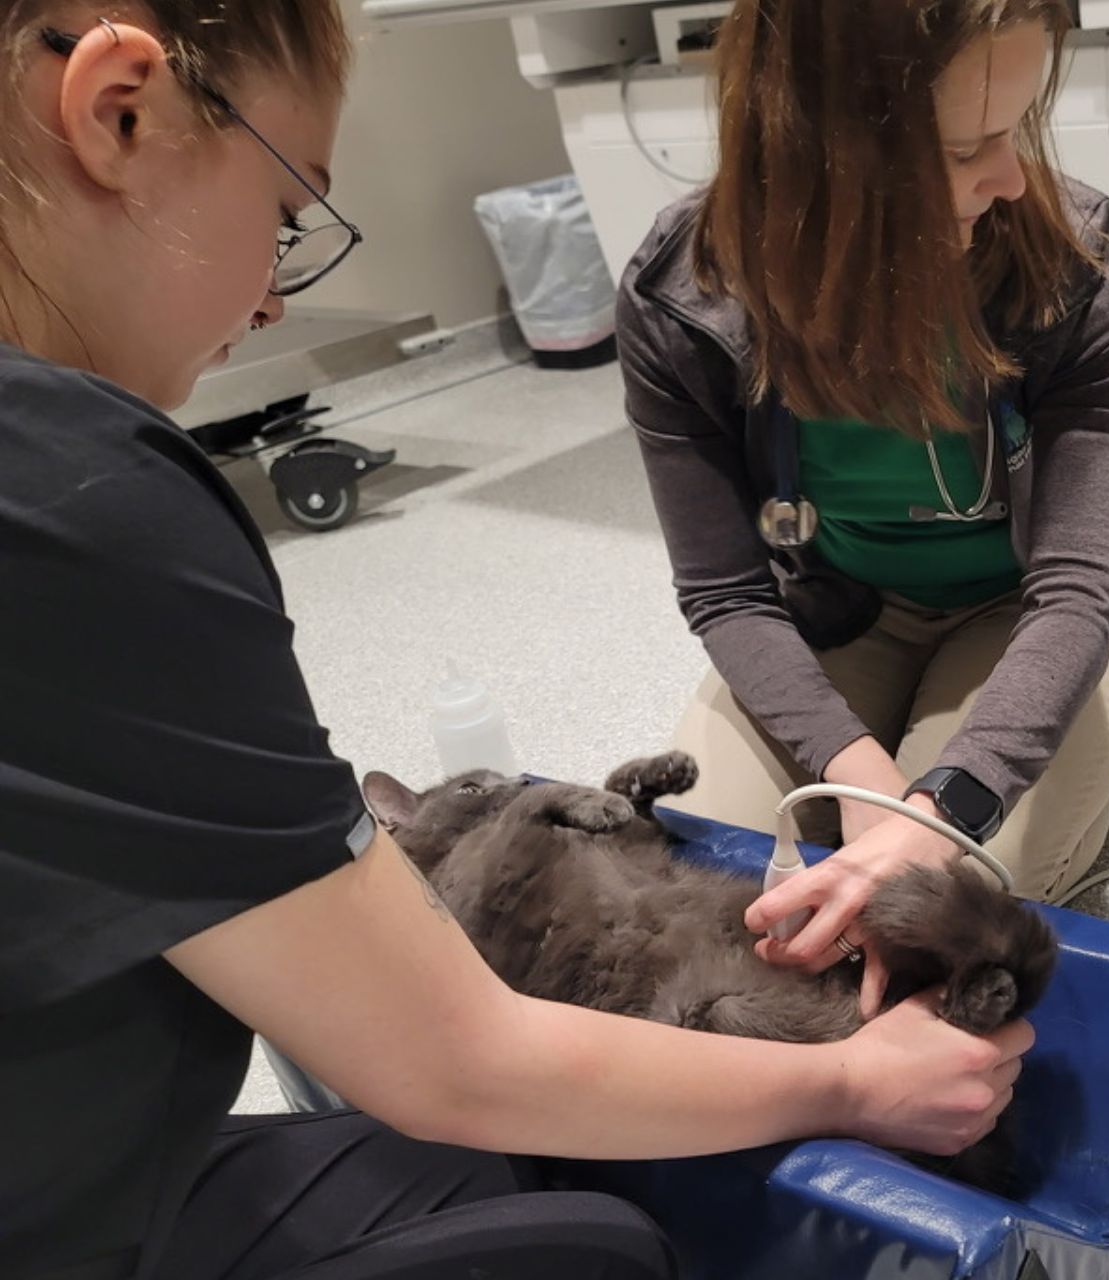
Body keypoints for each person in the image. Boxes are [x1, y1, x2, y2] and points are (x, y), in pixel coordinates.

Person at [0, 5, 1032, 1278]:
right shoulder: (80, 500)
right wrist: (855, 1084)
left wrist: (935, 795)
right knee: (599, 1243)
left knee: (949, 874)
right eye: (285, 216)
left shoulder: (1058, 257)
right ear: (120, 111)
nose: (273, 298)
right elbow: (452, 1054)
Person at [621, 0, 1109, 1003]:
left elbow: (1078, 582)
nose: (1013, 178)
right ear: (813, 149)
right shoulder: (682, 298)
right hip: (837, 600)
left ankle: (1096, 709)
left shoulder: (1074, 259)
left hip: (1031, 609)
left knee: (928, 924)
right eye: (967, 146)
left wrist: (941, 804)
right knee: (680, 896)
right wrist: (861, 774)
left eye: (1018, 130)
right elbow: (727, 592)